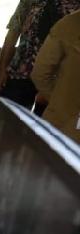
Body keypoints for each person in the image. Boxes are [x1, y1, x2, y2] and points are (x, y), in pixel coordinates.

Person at [0, 0, 80, 114]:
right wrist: (0, 70)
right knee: (7, 122)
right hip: (20, 71)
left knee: (44, 127)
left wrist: (48, 90)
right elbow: (12, 33)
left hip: (54, 79)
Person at [31, 9, 80, 144]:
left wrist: (60, 100)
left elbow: (40, 73)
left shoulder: (68, 25)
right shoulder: (69, 25)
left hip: (65, 125)